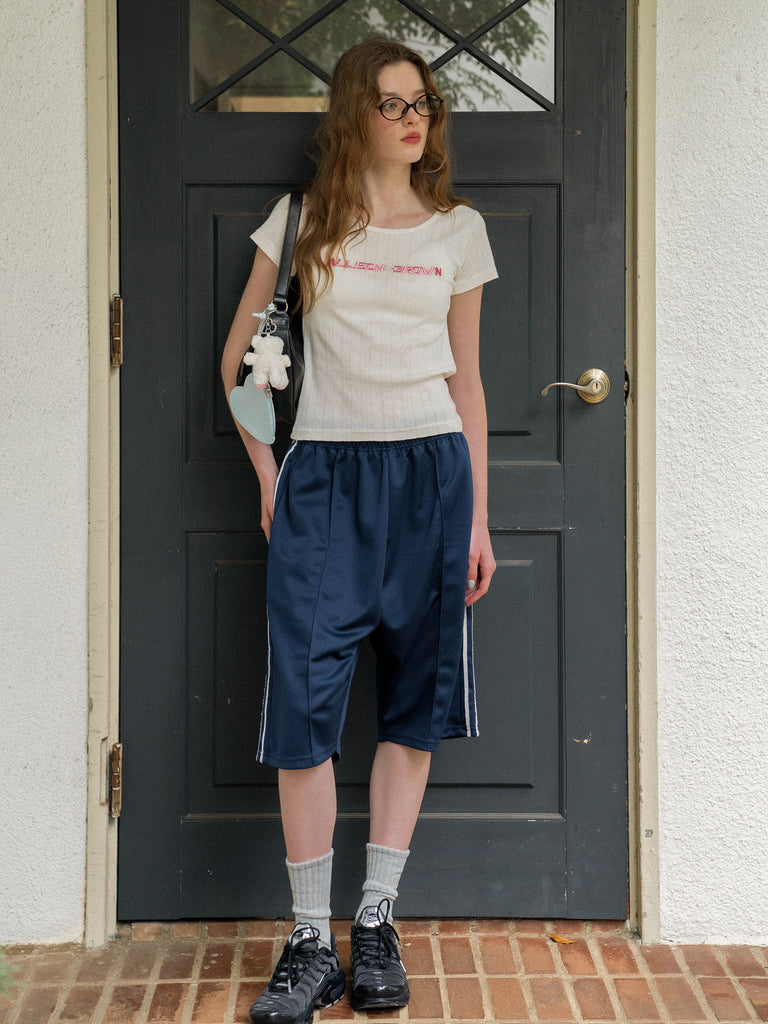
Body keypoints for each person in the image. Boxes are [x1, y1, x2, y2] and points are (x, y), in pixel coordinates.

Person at [221, 35, 498, 1024]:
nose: (412, 118)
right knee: (304, 706)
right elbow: (241, 364)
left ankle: (376, 917)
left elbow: (468, 384)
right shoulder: (301, 222)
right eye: (391, 103)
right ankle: (311, 941)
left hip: (431, 479)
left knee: (415, 701)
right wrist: (270, 473)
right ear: (355, 113)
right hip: (324, 479)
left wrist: (479, 516)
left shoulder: (460, 230)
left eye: (422, 102)